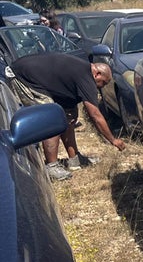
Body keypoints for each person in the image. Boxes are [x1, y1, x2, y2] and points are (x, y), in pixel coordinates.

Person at [8, 52, 125, 180]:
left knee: (68, 116)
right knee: (51, 120)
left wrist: (71, 115)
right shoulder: (86, 76)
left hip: (37, 78)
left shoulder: (82, 70)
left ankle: (74, 159)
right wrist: (113, 140)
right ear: (97, 74)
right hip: (23, 78)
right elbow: (95, 115)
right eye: (103, 83)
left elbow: (70, 111)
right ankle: (51, 166)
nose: (101, 87)